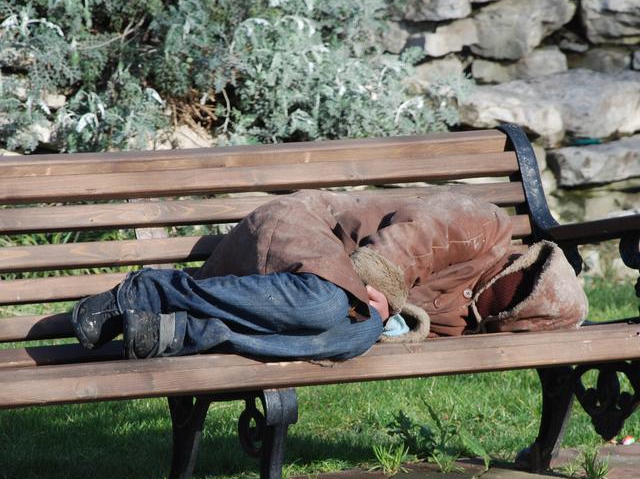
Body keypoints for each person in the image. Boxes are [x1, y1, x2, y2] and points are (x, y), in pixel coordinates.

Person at [72, 189, 588, 361]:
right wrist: (384, 292)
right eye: (519, 291)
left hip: (292, 290)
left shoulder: (464, 314)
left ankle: (179, 330)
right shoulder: (486, 228)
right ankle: (148, 288)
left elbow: (376, 324)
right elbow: (412, 239)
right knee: (324, 306)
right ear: (526, 264)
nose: (504, 306)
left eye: (515, 311)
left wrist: (381, 320)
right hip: (301, 228)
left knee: (357, 334)